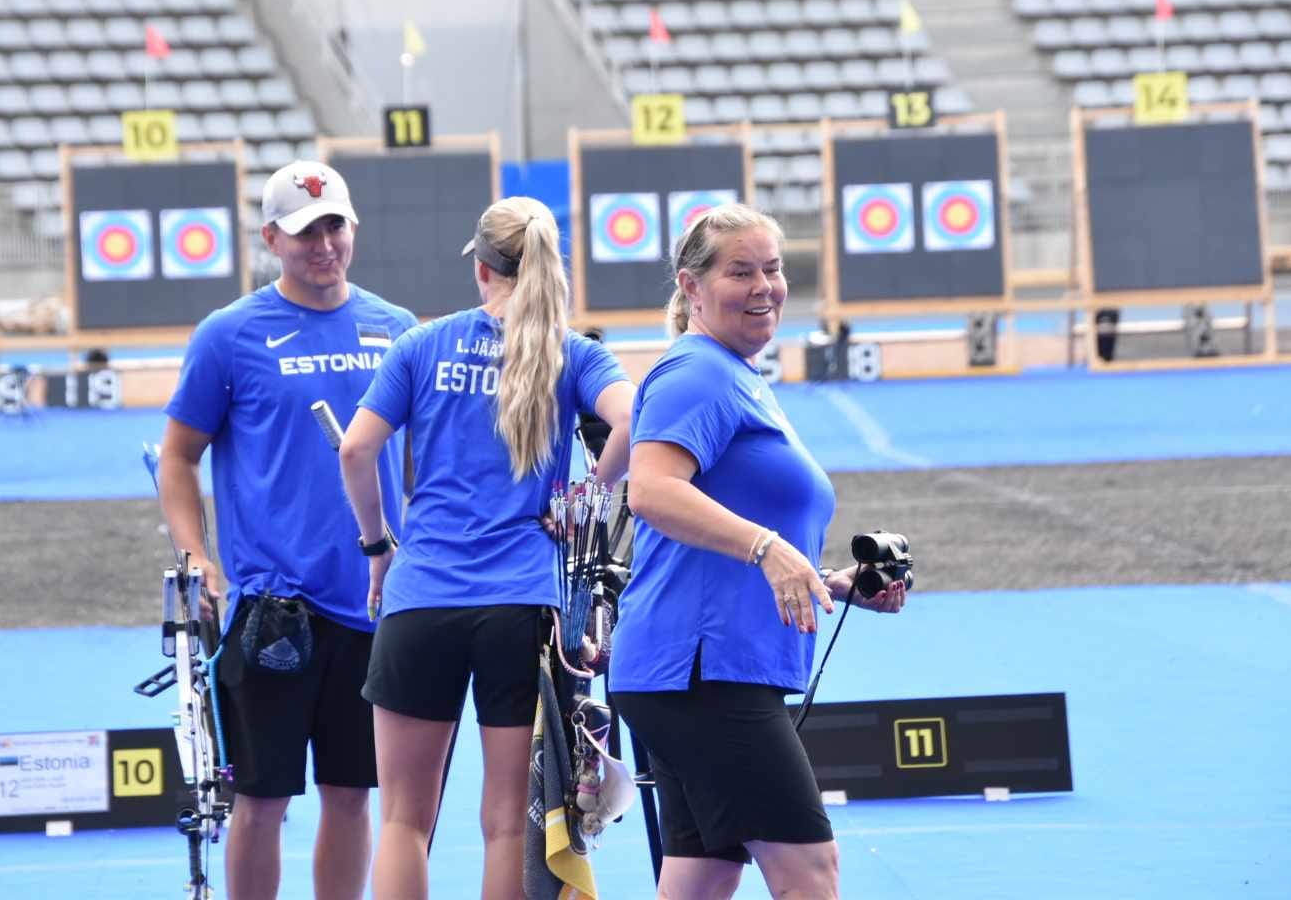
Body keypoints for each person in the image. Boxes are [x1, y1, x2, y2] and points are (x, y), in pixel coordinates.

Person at [338, 196, 635, 899]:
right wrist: (587, 490)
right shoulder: (573, 352)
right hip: (520, 607)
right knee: (506, 823)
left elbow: (355, 450)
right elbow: (636, 415)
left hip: (420, 600)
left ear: (481, 268)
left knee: (404, 820)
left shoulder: (421, 344)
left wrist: (377, 545)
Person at [608, 205, 906, 900]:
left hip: (691, 671)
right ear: (692, 286)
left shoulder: (733, 375)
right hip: (703, 675)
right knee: (809, 871)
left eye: (772, 269)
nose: (764, 285)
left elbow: (720, 531)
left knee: (702, 879)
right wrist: (768, 547)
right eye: (740, 271)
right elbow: (650, 490)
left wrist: (830, 580)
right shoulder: (699, 374)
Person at [160, 160, 418, 900]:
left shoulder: (396, 329)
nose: (323, 244)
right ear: (272, 237)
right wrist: (197, 556)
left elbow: (422, 465)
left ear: (353, 228)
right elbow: (178, 457)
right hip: (272, 611)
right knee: (262, 802)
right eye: (304, 232)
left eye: (334, 225)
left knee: (352, 794)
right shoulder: (228, 335)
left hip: (375, 603)